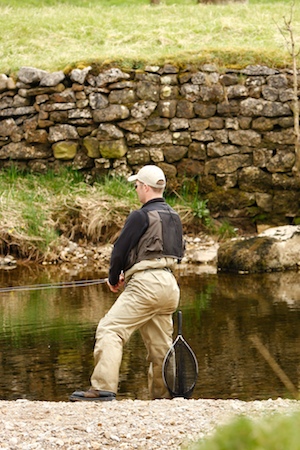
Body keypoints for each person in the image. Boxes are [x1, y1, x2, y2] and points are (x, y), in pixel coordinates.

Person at [70, 165, 184, 402]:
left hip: (146, 284)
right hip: (169, 284)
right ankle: (165, 397)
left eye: (136, 186)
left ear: (144, 187)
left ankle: (103, 388)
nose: (136, 191)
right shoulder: (174, 216)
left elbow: (119, 249)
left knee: (110, 329)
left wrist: (114, 279)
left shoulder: (140, 215)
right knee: (160, 346)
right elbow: (176, 252)